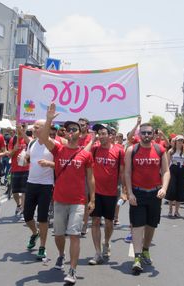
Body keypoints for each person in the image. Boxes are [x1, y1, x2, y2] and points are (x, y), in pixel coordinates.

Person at [41, 103, 95, 285]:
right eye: (68, 129)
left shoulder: (85, 155)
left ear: (80, 133)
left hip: (78, 202)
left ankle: (72, 270)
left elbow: (90, 179)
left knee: (74, 235)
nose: (71, 131)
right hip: (59, 200)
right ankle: (61, 255)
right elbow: (42, 137)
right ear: (65, 132)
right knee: (58, 235)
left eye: (75, 129)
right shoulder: (58, 149)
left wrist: (92, 199)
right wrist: (49, 119)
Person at [125, 123, 170, 274]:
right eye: (143, 133)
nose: (146, 135)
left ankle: (145, 250)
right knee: (137, 225)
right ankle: (137, 257)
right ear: (139, 134)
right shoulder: (132, 150)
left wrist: (164, 188)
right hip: (138, 193)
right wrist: (130, 193)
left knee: (151, 225)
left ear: (153, 134)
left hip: (155, 194)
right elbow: (127, 173)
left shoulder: (159, 149)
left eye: (149, 133)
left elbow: (165, 171)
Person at [88, 123, 125, 266]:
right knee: (95, 221)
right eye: (99, 133)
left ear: (111, 136)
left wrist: (125, 192)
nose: (101, 136)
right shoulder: (94, 149)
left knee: (109, 222)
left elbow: (122, 173)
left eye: (104, 133)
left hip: (111, 193)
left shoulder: (119, 151)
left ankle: (107, 242)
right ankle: (97, 253)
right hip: (95, 192)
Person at [23, 120, 55, 260]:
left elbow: (61, 164)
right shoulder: (31, 143)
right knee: (27, 216)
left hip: (46, 185)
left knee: (42, 217)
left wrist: (50, 163)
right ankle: (35, 232)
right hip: (31, 183)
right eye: (33, 127)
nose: (34, 130)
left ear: (44, 129)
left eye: (36, 127)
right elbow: (29, 158)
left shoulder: (53, 145)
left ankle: (42, 246)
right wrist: (25, 158)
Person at [8, 124, 30, 218]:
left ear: (25, 128)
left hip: (27, 169)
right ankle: (19, 204)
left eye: (22, 127)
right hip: (15, 169)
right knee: (15, 191)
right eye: (19, 127)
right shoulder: (13, 140)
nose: (20, 129)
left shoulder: (28, 140)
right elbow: (9, 155)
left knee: (25, 191)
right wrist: (14, 150)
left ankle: (24, 210)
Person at [166, 135, 184, 218]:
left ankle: (176, 211)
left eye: (181, 141)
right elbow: (167, 163)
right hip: (172, 171)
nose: (180, 142)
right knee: (172, 190)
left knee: (180, 191)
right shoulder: (170, 151)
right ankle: (170, 210)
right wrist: (166, 173)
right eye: (179, 140)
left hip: (181, 171)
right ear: (175, 142)